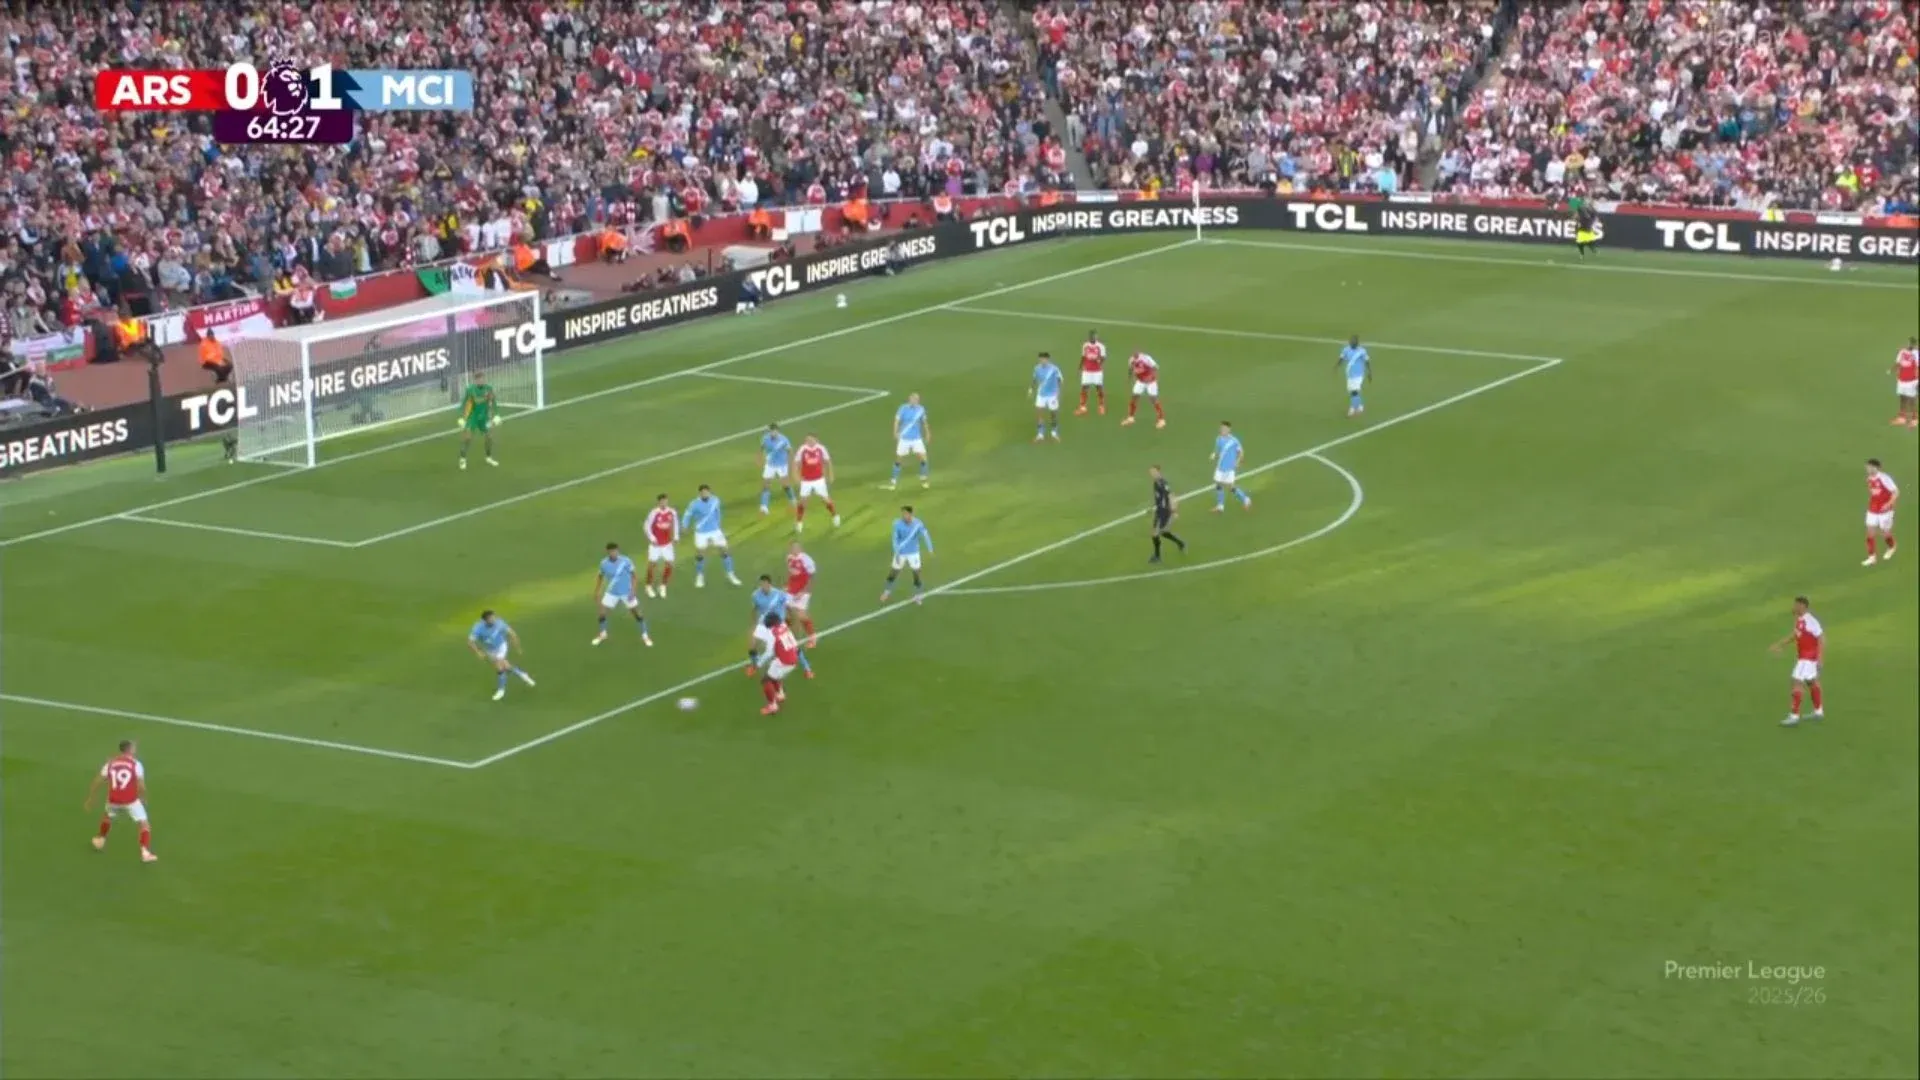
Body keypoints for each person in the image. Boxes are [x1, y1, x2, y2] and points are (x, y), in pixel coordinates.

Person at [85, 739, 156, 863]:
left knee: (107, 817)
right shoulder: (136, 764)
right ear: (129, 750)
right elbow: (141, 785)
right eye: (133, 747)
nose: (135, 749)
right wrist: (143, 797)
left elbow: (98, 781)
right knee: (144, 824)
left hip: (113, 800)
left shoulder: (110, 763)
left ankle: (101, 839)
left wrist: (91, 797)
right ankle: (145, 852)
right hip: (130, 800)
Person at [1768, 596, 1824, 726]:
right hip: (1805, 657)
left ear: (1802, 606)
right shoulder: (1800, 620)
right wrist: (1780, 645)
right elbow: (1795, 635)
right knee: (1811, 682)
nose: (1794, 607)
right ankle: (1818, 711)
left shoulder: (1811, 621)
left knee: (1796, 682)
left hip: (1808, 658)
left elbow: (1821, 638)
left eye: (1796, 605)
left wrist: (1820, 658)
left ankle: (1794, 716)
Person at [750, 574, 814, 677]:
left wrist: (792, 621)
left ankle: (807, 668)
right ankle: (754, 664)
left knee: (792, 646)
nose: (763, 586)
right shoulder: (756, 595)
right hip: (764, 623)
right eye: (761, 584)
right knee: (752, 644)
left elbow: (788, 608)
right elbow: (755, 608)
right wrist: (754, 623)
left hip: (778, 624)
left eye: (764, 584)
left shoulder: (779, 594)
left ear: (769, 584)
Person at [592, 542, 653, 647]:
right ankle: (602, 634)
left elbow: (634, 576)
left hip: (627, 592)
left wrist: (633, 591)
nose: (614, 553)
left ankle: (645, 636)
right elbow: (600, 577)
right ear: (608, 552)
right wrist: (597, 591)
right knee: (602, 613)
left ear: (618, 550)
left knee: (637, 614)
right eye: (611, 551)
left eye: (615, 551)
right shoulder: (604, 564)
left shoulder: (626, 561)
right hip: (612, 592)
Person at [468, 610, 535, 701]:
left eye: (493, 617)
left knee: (499, 667)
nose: (493, 620)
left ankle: (501, 690)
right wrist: (478, 652)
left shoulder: (499, 623)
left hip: (501, 647)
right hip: (490, 650)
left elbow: (512, 633)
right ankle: (522, 674)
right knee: (506, 667)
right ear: (485, 620)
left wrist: (517, 647)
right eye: (490, 618)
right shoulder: (478, 628)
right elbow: (470, 642)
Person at [683, 484, 743, 587]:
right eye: (703, 492)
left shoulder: (715, 500)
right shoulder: (694, 504)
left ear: (709, 492)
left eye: (707, 492)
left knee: (725, 551)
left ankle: (730, 574)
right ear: (700, 493)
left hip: (715, 531)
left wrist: (718, 526)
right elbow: (687, 515)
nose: (705, 494)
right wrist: (685, 526)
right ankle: (700, 576)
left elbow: (718, 513)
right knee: (700, 554)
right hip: (701, 532)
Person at [746, 613, 803, 716]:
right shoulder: (784, 626)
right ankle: (780, 694)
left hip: (785, 661)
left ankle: (773, 706)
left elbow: (769, 653)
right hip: (789, 657)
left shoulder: (773, 634)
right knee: (773, 673)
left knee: (766, 680)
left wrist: (756, 666)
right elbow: (794, 642)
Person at [881, 505, 934, 604]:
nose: (904, 516)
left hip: (913, 553)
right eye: (903, 514)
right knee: (893, 573)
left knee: (917, 574)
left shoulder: (918, 524)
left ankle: (918, 595)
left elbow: (926, 535)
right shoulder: (897, 523)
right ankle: (886, 592)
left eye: (906, 514)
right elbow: (894, 539)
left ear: (911, 514)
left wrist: (930, 548)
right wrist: (896, 553)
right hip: (900, 552)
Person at [793, 433, 840, 532]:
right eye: (807, 440)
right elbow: (796, 463)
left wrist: (831, 474)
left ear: (816, 440)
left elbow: (828, 462)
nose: (808, 441)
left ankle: (835, 516)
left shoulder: (821, 448)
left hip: (819, 479)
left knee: (825, 499)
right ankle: (799, 522)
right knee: (803, 501)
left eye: (811, 440)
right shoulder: (802, 449)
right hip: (806, 480)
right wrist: (796, 476)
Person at [888, 392, 931, 489]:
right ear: (909, 400)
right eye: (913, 399)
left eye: (916, 400)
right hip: (904, 438)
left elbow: (924, 422)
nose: (915, 401)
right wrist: (895, 432)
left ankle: (923, 478)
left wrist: (928, 433)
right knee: (899, 459)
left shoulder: (921, 409)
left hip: (916, 438)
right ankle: (893, 480)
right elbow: (897, 421)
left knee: (923, 458)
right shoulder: (903, 408)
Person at [457, 371, 498, 469]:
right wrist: (461, 417)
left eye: (482, 379)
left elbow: (494, 401)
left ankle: (488, 457)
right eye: (479, 379)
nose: (481, 381)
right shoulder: (471, 389)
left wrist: (496, 414)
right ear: (475, 380)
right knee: (468, 438)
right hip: (472, 416)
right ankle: (462, 459)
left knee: (489, 437)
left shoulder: (489, 388)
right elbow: (471, 402)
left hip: (484, 416)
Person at [1148, 465, 1187, 563]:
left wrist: (1174, 511)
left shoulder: (1163, 483)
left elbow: (1171, 496)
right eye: (1151, 472)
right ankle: (1181, 543)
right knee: (1162, 532)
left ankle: (1157, 556)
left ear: (1159, 472)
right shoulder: (1156, 483)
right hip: (1159, 511)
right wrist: (1153, 507)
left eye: (1154, 472)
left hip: (1165, 512)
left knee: (1156, 533)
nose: (1152, 474)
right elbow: (1158, 498)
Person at [1864, 458, 1899, 566]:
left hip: (1885, 511)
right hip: (1872, 509)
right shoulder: (1869, 479)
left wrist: (1889, 503)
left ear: (1877, 468)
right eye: (1867, 467)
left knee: (1885, 533)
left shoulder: (1884, 478)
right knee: (1870, 533)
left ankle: (1892, 547)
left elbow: (1896, 492)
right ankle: (1872, 557)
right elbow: (1874, 493)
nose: (1868, 469)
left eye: (1870, 467)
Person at [1211, 421, 1253, 511]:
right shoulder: (1218, 439)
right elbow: (1217, 450)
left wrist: (1238, 462)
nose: (1222, 430)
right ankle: (1220, 506)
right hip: (1220, 467)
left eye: (1224, 428)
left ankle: (1246, 500)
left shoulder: (1233, 441)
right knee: (1218, 484)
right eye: (1221, 428)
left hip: (1229, 468)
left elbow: (1241, 452)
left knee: (1230, 487)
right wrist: (1214, 455)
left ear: (1229, 430)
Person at [785, 540, 820, 647]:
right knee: (787, 613)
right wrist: (787, 585)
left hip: (803, 591)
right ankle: (787, 638)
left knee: (801, 615)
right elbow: (791, 573)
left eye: (796, 547)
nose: (794, 550)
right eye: (792, 548)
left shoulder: (807, 560)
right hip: (791, 590)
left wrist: (803, 592)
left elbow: (812, 577)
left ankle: (812, 637)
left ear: (800, 548)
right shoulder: (789, 558)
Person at [643, 494, 679, 596]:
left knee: (670, 564)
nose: (664, 503)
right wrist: (652, 538)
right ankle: (648, 586)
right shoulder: (654, 513)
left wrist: (676, 537)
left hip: (667, 543)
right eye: (662, 501)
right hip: (655, 544)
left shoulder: (672, 512)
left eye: (665, 501)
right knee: (652, 565)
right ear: (658, 502)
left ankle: (663, 586)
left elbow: (675, 524)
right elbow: (646, 526)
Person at [759, 422, 796, 515]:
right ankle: (764, 506)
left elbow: (790, 451)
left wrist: (791, 463)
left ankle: (792, 500)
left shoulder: (784, 439)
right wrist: (762, 457)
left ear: (778, 431)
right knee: (766, 485)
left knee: (785, 485)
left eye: (775, 431)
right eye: (771, 431)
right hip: (770, 465)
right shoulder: (765, 438)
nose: (773, 433)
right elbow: (762, 448)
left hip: (781, 465)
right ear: (769, 432)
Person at [1122, 351, 1166, 428]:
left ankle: (1161, 420)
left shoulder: (1146, 358)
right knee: (1134, 397)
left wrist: (1152, 376)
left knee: (1153, 399)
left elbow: (1155, 367)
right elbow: (1130, 369)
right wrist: (1129, 377)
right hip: (1140, 381)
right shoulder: (1131, 360)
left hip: (1150, 382)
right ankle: (1130, 418)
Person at [1031, 350, 1063, 442]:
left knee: (1053, 414)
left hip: (1052, 395)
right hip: (1041, 394)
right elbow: (1034, 379)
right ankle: (1040, 434)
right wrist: (1031, 388)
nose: (1042, 361)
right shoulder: (1037, 368)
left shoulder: (1054, 369)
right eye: (1041, 359)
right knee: (1039, 414)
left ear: (1048, 359)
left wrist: (1058, 392)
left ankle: (1054, 433)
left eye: (1044, 359)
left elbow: (1059, 380)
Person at [1339, 335, 1371, 417]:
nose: (1352, 343)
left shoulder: (1362, 351)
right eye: (1351, 341)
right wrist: (1336, 366)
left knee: (1354, 391)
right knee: (1352, 391)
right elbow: (1341, 358)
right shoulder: (1346, 350)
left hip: (1359, 375)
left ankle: (1353, 409)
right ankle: (1360, 406)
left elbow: (1367, 361)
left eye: (1353, 342)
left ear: (1357, 343)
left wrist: (1369, 372)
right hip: (1350, 374)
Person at [1076, 331, 1107, 415]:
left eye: (1094, 336)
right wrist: (1080, 367)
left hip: (1097, 371)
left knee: (1099, 387)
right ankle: (1083, 407)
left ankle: (1101, 406)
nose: (1093, 337)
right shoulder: (1085, 345)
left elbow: (1103, 357)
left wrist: (1099, 361)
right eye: (1091, 336)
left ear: (1096, 337)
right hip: (1087, 370)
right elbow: (1083, 356)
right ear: (1089, 337)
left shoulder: (1101, 346)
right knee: (1084, 387)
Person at [1892, 336, 1917, 428]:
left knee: (1911, 399)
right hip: (1901, 379)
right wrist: (1892, 370)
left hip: (1911, 381)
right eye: (1908, 343)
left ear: (1914, 345)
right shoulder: (1902, 352)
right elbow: (1898, 363)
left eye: (1911, 343)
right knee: (1902, 397)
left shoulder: (1916, 354)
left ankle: (1914, 419)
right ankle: (1902, 418)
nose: (1909, 345)